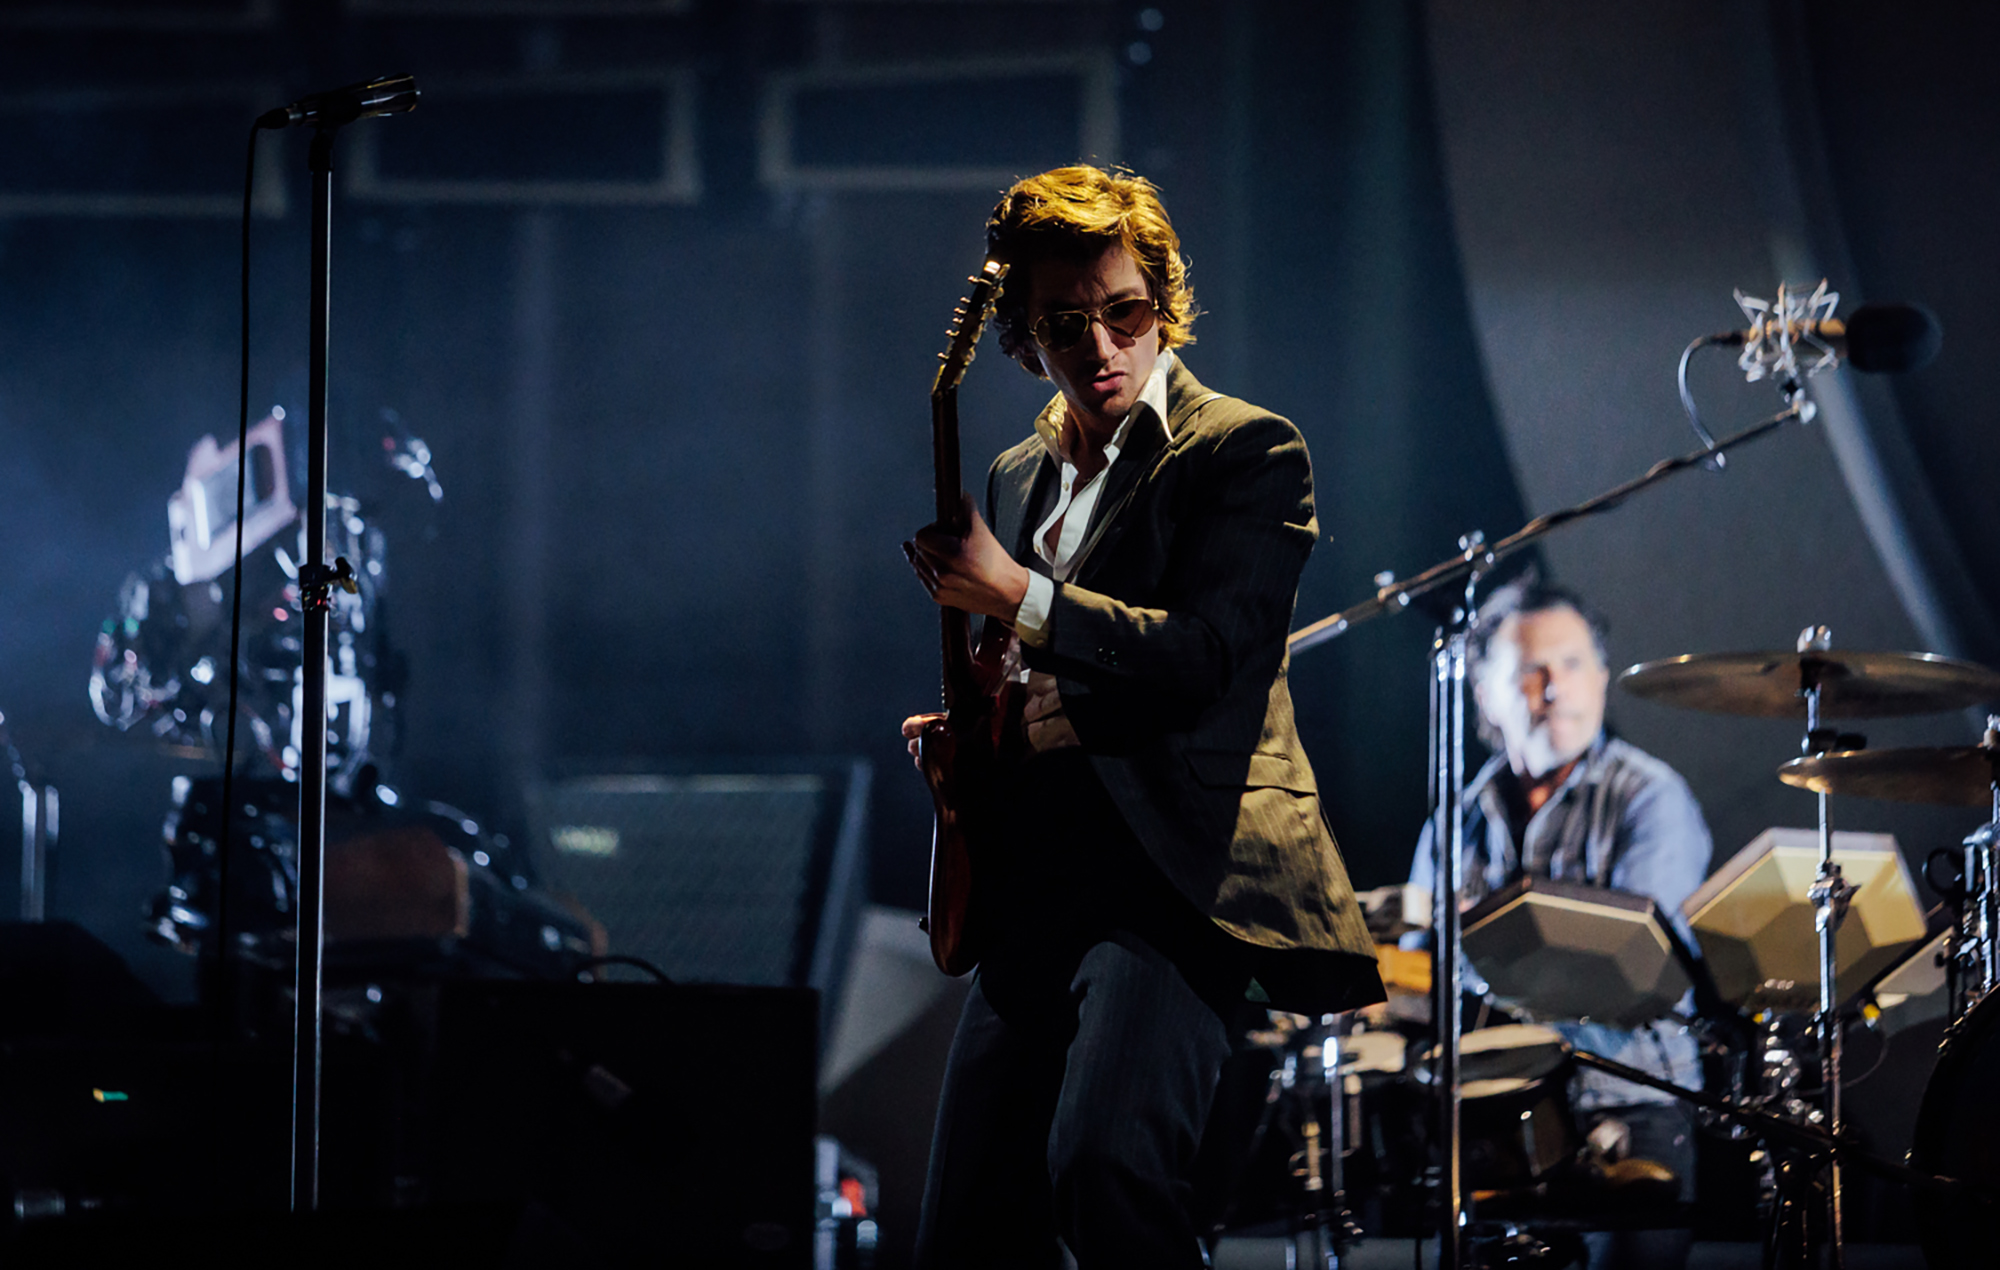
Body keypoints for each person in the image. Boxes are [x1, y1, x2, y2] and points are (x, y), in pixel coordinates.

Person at [900, 165, 1383, 1268]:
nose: (1099, 344)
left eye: (1122, 311)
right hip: (1039, 882)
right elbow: (1037, 668)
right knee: (965, 1229)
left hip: (1172, 880)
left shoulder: (1245, 450)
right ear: (1024, 338)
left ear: (1158, 301)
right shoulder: (1020, 473)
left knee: (1105, 1169)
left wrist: (1014, 592)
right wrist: (980, 734)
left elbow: (1209, 657)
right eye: (1064, 324)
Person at [1404, 577, 1713, 1270]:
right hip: (1490, 1116)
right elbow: (1415, 973)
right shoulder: (1455, 820)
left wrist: (1480, 934)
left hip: (1629, 1101)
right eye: (1532, 669)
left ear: (1602, 677)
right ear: (1483, 694)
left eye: (1574, 664)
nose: (1557, 686)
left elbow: (1637, 969)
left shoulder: (1649, 796)